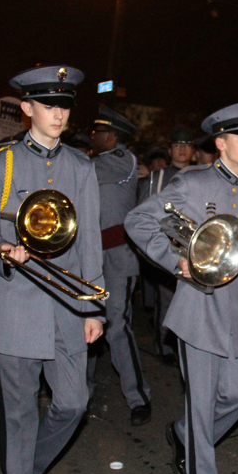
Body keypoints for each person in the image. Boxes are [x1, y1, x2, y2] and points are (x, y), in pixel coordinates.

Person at [125, 102, 238, 474]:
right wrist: (174, 262)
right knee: (201, 403)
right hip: (197, 308)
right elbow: (138, 220)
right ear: (221, 142)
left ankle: (183, 436)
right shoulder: (192, 183)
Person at [0, 65, 105, 474]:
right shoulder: (1, 162)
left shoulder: (81, 166)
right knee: (19, 412)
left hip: (66, 304)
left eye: (64, 105)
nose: (58, 113)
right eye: (49, 105)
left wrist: (94, 309)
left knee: (73, 402)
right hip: (17, 303)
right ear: (27, 109)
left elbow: (89, 243)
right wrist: (0, 249)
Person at [86, 105, 150, 425]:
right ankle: (81, 391)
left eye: (98, 132)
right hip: (89, 256)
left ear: (111, 136)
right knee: (82, 322)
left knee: (116, 327)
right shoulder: (96, 161)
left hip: (117, 257)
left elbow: (83, 169)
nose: (93, 137)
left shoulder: (120, 160)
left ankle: (138, 396)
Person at [137, 125, 197, 366]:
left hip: (194, 248)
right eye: (177, 145)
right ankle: (164, 346)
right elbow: (141, 215)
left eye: (187, 145)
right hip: (167, 248)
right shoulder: (157, 178)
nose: (182, 149)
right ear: (170, 149)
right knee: (168, 297)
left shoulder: (201, 175)